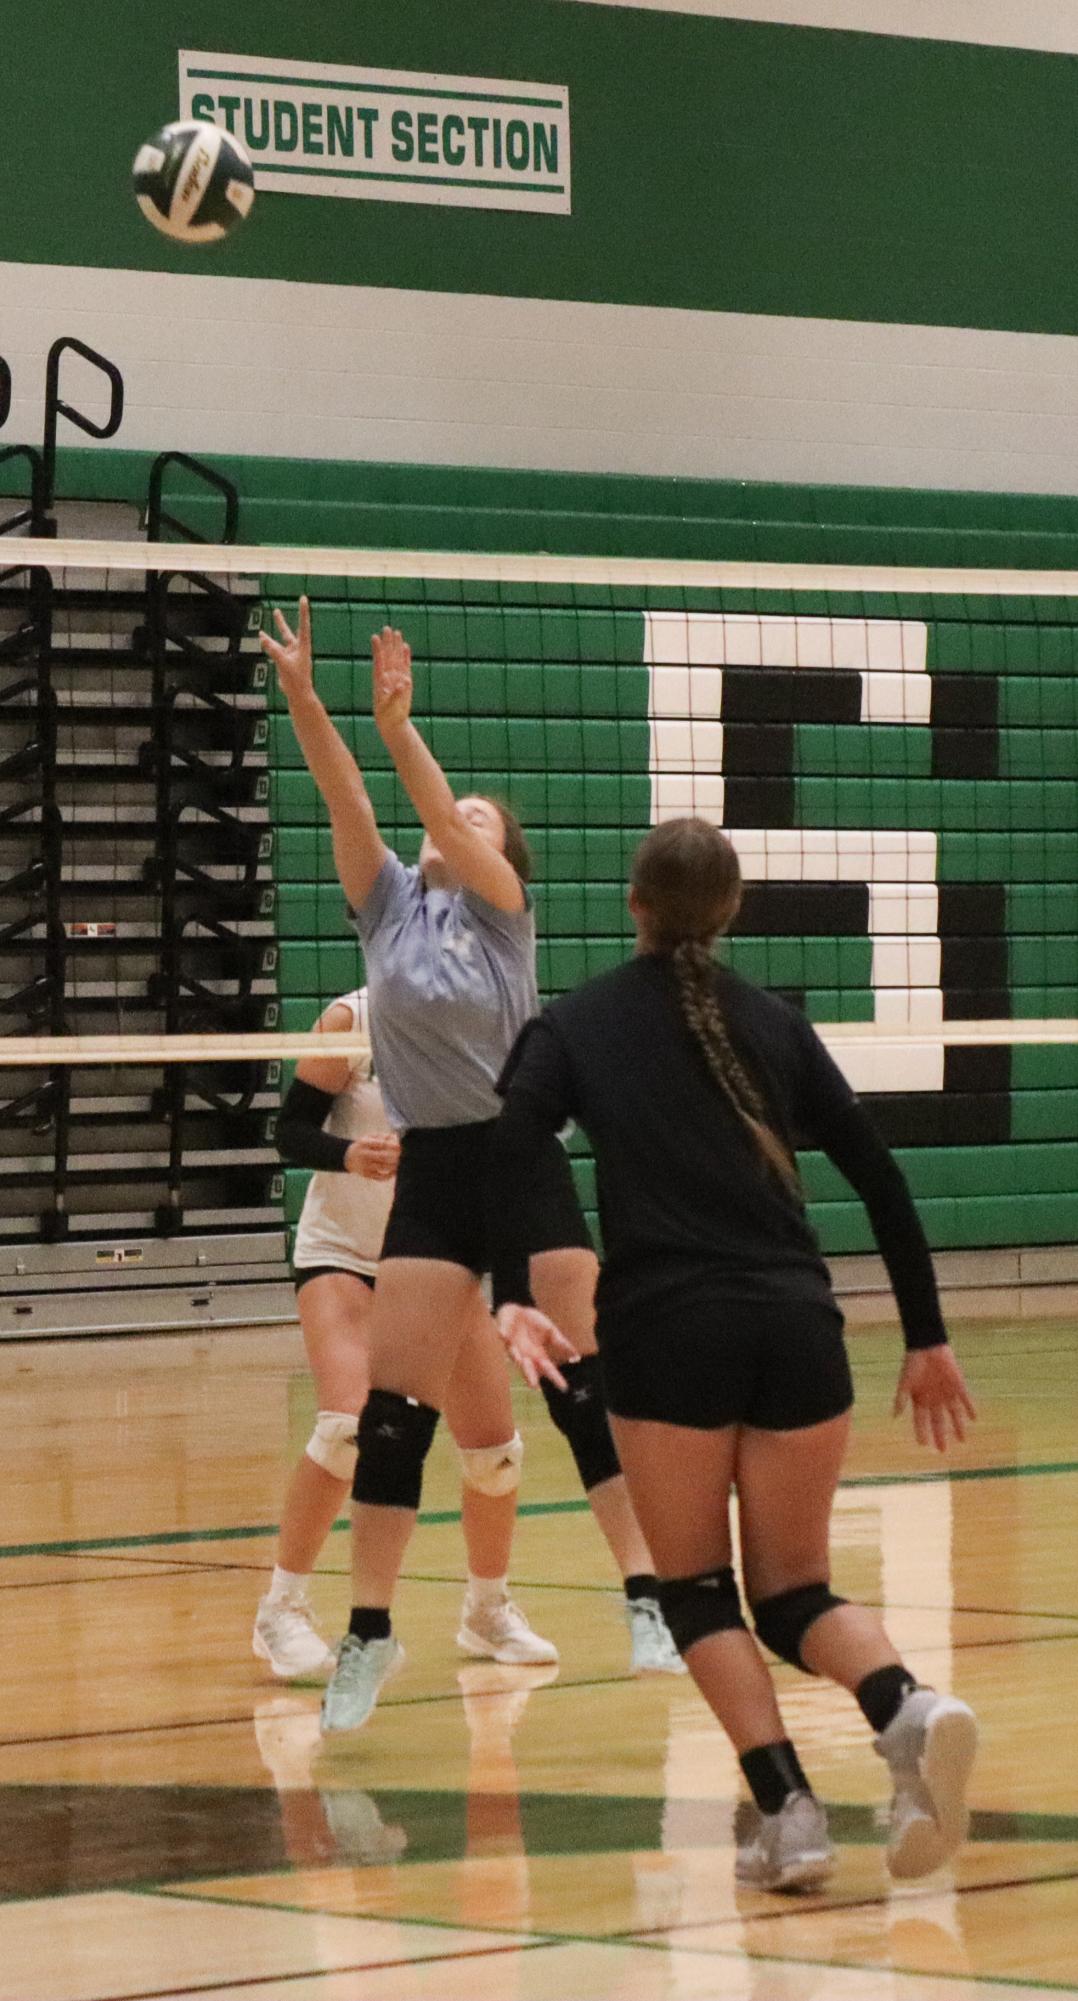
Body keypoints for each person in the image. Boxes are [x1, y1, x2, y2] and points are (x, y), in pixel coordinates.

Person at [490, 816, 980, 1893]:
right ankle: (904, 1705)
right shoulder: (775, 1022)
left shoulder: (575, 1025)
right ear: (733, 908)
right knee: (795, 1590)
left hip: (670, 1329)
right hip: (798, 1322)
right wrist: (927, 1336)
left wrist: (515, 1295)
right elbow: (880, 1177)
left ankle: (789, 1813)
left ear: (635, 906)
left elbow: (509, 1146)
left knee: (697, 1588)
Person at [259, 601, 681, 1736]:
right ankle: (369, 1635)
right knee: (391, 1416)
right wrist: (307, 698)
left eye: (481, 821)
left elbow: (427, 803)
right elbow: (352, 806)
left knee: (577, 1384)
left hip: (520, 1154)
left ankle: (649, 1596)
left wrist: (403, 730)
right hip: (437, 1173)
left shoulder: (503, 917)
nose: (461, 826)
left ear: (500, 855)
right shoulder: (389, 910)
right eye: (459, 819)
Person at [252, 984, 557, 1678]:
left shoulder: (489, 1028)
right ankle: (280, 1610)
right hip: (344, 1256)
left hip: (429, 1262)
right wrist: (348, 1154)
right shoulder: (352, 1018)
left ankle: (487, 1611)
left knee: (495, 1452)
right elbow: (289, 1130)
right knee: (347, 1424)